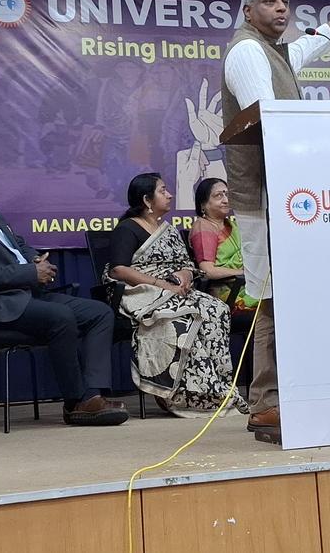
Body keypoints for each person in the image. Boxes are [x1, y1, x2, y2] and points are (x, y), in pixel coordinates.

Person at [220, 0, 330, 443]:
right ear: (247, 11)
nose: (282, 9)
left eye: (285, 2)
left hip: (286, 197)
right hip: (263, 198)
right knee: (274, 300)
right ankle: (265, 404)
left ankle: (288, 393)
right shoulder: (246, 52)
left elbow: (297, 54)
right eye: (269, 2)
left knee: (290, 296)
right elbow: (267, 113)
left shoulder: (273, 51)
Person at [0, 154, 127, 426]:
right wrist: (29, 273)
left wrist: (35, 259)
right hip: (0, 305)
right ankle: (77, 401)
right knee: (61, 318)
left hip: (31, 295)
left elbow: (19, 246)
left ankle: (92, 393)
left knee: (99, 312)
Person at [104, 172, 247, 416]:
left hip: (175, 289)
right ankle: (180, 393)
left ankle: (216, 386)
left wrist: (185, 275)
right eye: (163, 191)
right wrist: (160, 283)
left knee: (217, 310)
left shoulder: (167, 230)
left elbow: (187, 265)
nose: (169, 195)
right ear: (147, 200)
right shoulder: (128, 229)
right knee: (184, 318)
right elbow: (119, 269)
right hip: (140, 292)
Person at [189, 178, 257, 315]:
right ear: (203, 204)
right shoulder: (204, 226)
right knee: (272, 301)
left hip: (246, 284)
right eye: (218, 196)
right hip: (227, 293)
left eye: (227, 194)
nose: (226, 200)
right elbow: (208, 270)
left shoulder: (230, 225)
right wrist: (243, 273)